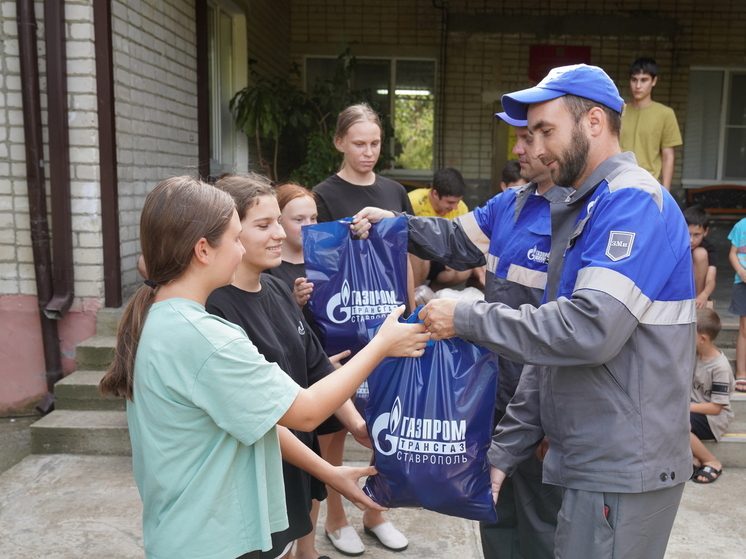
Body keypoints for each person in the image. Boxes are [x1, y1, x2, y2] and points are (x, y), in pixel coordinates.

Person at [418, 64, 695, 559]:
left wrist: (466, 316)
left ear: (592, 122)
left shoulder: (631, 202)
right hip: (589, 459)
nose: (535, 149)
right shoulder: (581, 209)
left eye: (546, 131)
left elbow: (588, 331)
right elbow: (551, 356)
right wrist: (506, 449)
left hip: (620, 463)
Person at [98, 176, 429, 559]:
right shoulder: (205, 338)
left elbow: (259, 416)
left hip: (195, 530)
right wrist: (383, 344)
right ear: (203, 249)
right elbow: (303, 412)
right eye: (237, 238)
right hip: (215, 538)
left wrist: (331, 468)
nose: (243, 250)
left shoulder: (164, 317)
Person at [354, 109, 569, 559]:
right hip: (493, 392)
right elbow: (455, 238)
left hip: (547, 402)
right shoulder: (512, 203)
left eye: (531, 138)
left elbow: (574, 329)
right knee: (495, 512)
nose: (518, 149)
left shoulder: (581, 214)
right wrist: (395, 223)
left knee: (544, 526)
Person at [205, 175, 376, 559]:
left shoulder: (278, 289)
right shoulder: (215, 309)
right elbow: (258, 418)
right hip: (253, 479)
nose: (279, 234)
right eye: (264, 225)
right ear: (229, 233)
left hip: (295, 470)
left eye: (278, 222)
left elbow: (317, 367)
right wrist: (383, 346)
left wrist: (358, 426)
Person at [311, 103, 414, 555]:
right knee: (334, 427)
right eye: (359, 143)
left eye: (374, 143)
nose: (368, 152)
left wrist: (411, 309)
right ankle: (336, 518)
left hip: (387, 322)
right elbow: (312, 258)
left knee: (384, 422)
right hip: (338, 324)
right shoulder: (323, 194)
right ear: (339, 143)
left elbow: (406, 257)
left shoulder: (394, 191)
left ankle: (375, 511)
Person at [408, 168, 481, 290]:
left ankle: (432, 293)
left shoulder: (461, 208)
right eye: (450, 202)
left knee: (465, 269)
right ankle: (414, 294)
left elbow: (465, 241)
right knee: (418, 254)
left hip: (442, 257)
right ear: (435, 194)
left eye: (458, 202)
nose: (455, 207)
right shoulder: (413, 201)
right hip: (417, 257)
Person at [620, 57, 683, 190]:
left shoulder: (665, 114)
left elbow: (668, 155)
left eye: (644, 80)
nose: (638, 86)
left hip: (649, 184)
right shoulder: (620, 112)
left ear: (654, 81)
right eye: (634, 79)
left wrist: (665, 192)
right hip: (619, 181)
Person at [689, 308, 734, 484]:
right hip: (697, 410)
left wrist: (684, 408)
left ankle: (711, 461)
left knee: (678, 423)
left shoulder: (720, 367)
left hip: (714, 417)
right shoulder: (696, 355)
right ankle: (695, 458)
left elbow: (716, 408)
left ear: (702, 339)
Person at [683, 205, 717, 309]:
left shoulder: (709, 248)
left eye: (696, 235)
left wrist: (704, 295)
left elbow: (711, 278)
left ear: (705, 232)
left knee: (700, 253)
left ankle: (697, 302)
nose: (691, 240)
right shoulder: (675, 243)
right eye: (688, 234)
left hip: (698, 292)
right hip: (679, 290)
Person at [729, 217, 746, 392]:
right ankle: (741, 372)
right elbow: (732, 253)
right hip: (742, 283)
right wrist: (741, 271)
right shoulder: (741, 225)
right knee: (744, 329)